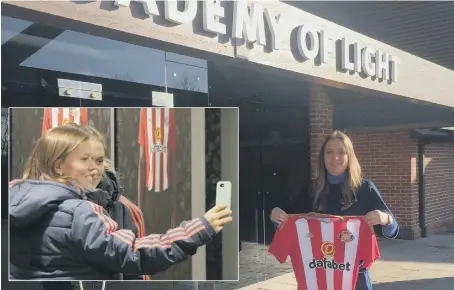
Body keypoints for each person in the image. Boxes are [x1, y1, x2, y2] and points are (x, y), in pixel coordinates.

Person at [9, 123, 232, 280]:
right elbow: (133, 253)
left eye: (98, 160)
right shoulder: (78, 210)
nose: (94, 168)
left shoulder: (15, 202)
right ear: (58, 166)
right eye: (84, 159)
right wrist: (200, 228)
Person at [270, 130, 399, 290]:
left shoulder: (365, 188)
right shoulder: (312, 189)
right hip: (317, 278)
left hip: (355, 280)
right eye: (329, 152)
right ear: (322, 158)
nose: (335, 158)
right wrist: (275, 217)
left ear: (349, 156)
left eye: (341, 152)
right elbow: (288, 221)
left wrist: (386, 219)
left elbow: (393, 231)